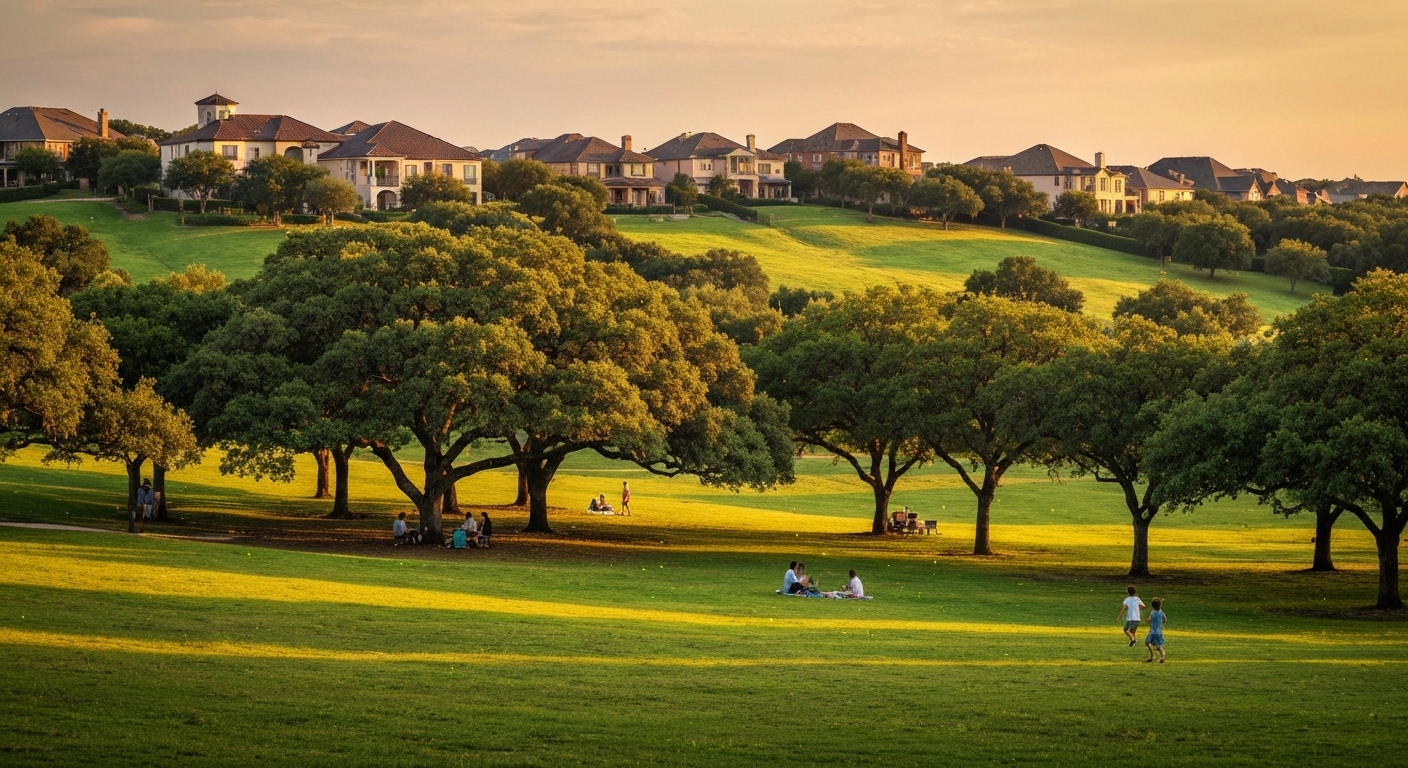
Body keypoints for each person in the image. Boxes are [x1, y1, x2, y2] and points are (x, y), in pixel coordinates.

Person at [1145, 598, 1167, 663]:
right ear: (1160, 606)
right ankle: (1162, 656)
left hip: (1152, 632)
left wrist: (1148, 620)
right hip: (1159, 632)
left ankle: (1152, 656)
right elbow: (1165, 620)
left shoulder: (1152, 613)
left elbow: (1149, 620)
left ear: (1152, 606)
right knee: (1159, 646)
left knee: (1147, 642)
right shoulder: (1162, 613)